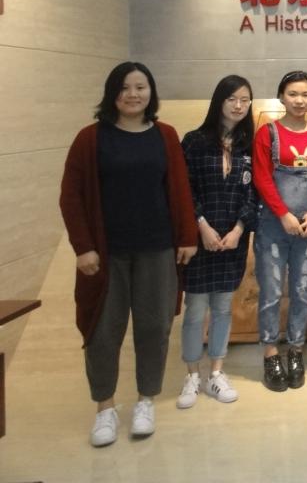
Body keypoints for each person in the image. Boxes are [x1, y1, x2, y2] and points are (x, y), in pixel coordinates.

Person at [59, 62, 197, 447]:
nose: (133, 94)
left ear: (151, 92)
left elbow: (180, 189)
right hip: (106, 256)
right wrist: (83, 247)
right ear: (111, 93)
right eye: (124, 87)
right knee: (103, 332)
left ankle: (145, 401)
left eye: (140, 87)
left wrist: (187, 237)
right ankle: (105, 407)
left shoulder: (165, 135)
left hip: (158, 249)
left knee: (154, 328)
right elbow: (71, 197)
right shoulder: (90, 138)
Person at [175, 75, 258, 409]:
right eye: (232, 99)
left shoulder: (249, 144)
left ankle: (216, 372)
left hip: (233, 239)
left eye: (245, 100)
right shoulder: (194, 141)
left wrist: (239, 229)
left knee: (224, 307)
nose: (238, 106)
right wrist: (202, 227)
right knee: (195, 309)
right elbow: (184, 189)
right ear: (219, 101)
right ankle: (192, 374)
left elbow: (254, 193)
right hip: (200, 239)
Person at [253, 70, 307, 391]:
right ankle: (270, 353)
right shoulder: (267, 133)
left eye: (305, 94)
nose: (299, 100)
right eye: (293, 94)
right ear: (281, 96)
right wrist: (282, 214)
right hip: (273, 226)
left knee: (302, 291)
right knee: (271, 291)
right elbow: (262, 177)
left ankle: (295, 350)